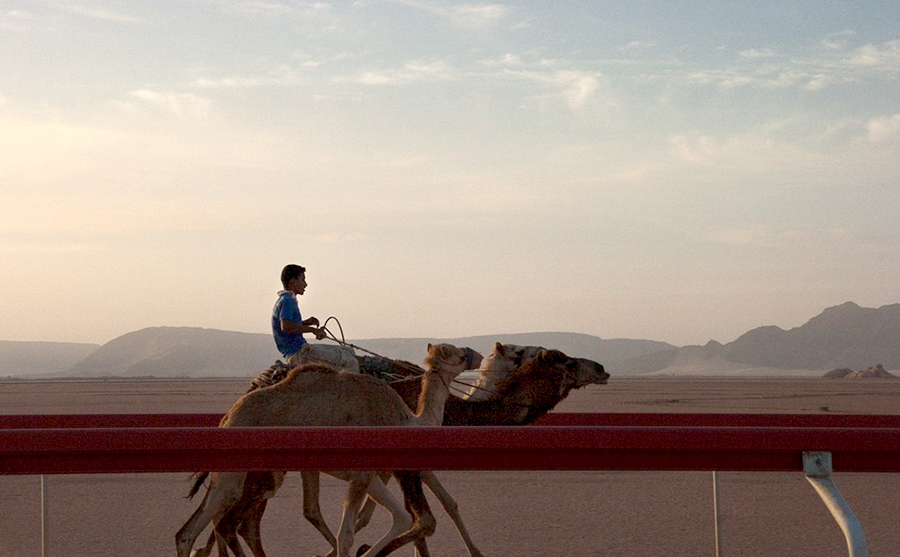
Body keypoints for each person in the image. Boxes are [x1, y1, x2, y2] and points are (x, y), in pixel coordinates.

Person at [272, 264, 359, 373]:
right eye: (302, 280)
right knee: (350, 362)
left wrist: (306, 323)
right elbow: (285, 326)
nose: (305, 284)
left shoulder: (286, 299)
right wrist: (314, 330)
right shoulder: (287, 301)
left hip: (301, 349)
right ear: (293, 281)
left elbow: (288, 326)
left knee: (349, 351)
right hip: (299, 353)